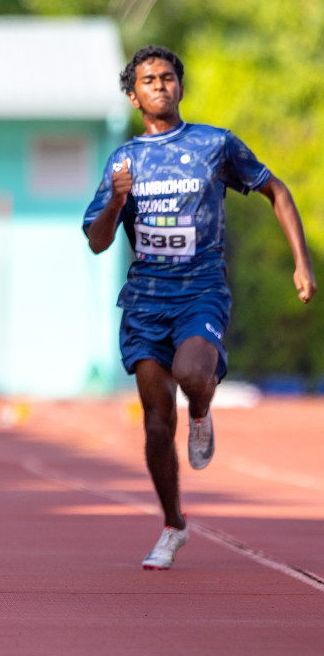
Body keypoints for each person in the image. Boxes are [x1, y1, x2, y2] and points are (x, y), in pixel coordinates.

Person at [84, 46, 314, 570]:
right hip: (145, 301)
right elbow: (97, 242)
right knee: (156, 423)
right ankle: (173, 525)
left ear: (180, 87)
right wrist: (117, 202)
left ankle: (204, 411)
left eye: (168, 77)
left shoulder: (214, 144)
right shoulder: (123, 161)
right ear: (132, 94)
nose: (160, 85)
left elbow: (276, 190)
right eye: (148, 79)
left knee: (191, 373)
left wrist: (301, 263)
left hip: (200, 290)